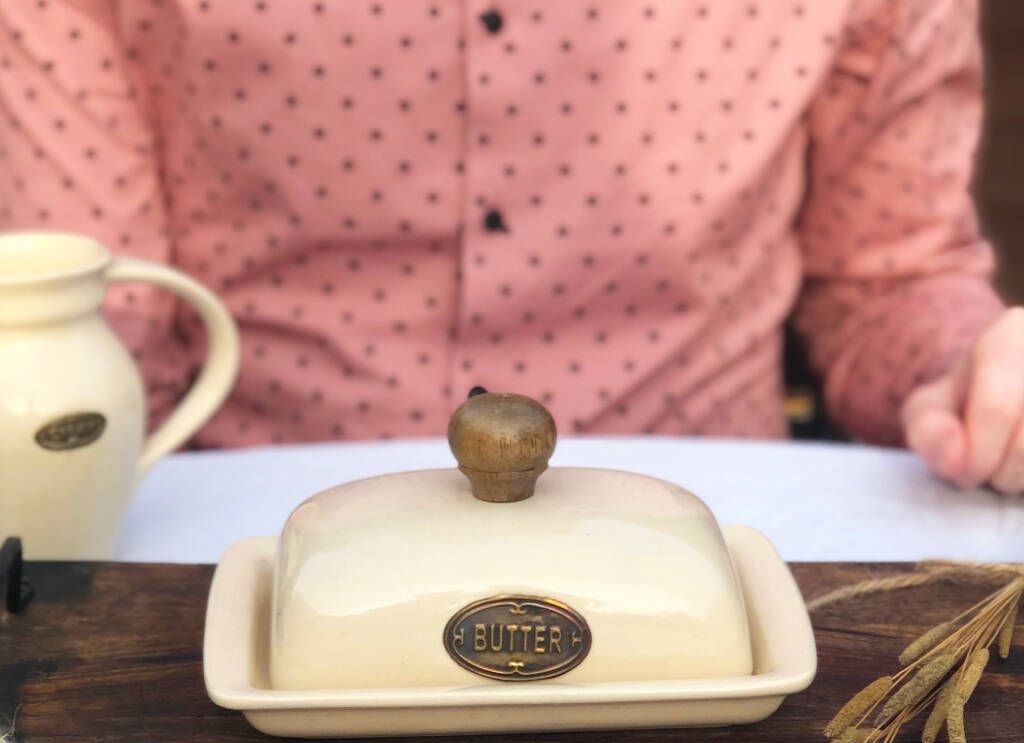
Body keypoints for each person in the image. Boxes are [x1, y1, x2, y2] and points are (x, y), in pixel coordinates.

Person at [1, 0, 1020, 491]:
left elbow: (888, 278)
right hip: (251, 551)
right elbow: (86, 319)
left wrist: (969, 380)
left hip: (712, 553)